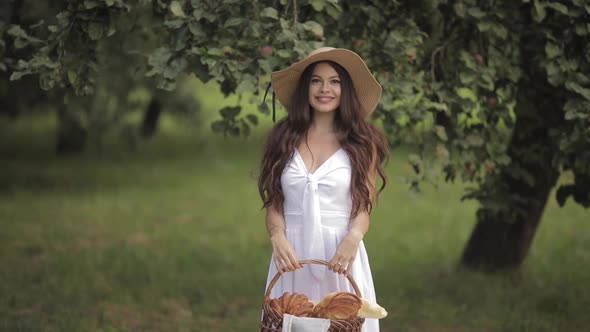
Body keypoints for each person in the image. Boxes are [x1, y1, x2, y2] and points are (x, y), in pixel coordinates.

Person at [258, 47, 389, 331]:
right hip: (292, 255)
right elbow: (275, 204)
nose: (324, 89)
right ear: (306, 88)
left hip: (340, 253)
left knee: (342, 324)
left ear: (346, 89)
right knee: (291, 321)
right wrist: (277, 236)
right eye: (316, 80)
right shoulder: (283, 138)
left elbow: (363, 205)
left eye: (335, 81)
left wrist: (353, 237)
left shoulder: (363, 141)